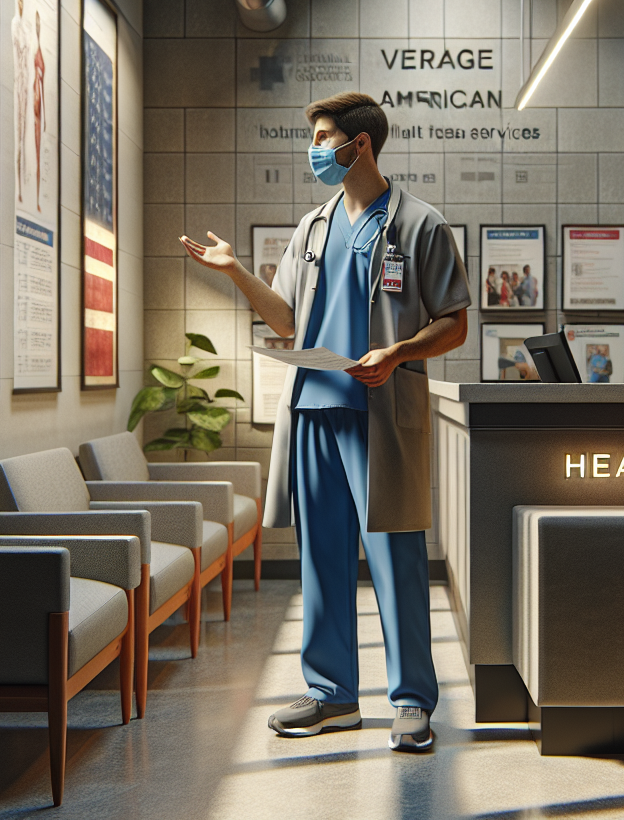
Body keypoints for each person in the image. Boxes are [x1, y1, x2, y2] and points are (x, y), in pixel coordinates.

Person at [182, 91, 470, 753]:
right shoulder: (313, 228)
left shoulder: (420, 225)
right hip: (314, 409)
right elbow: (287, 320)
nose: (314, 151)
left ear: (358, 144)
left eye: (321, 138)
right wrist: (236, 276)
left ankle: (410, 701)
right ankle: (333, 695)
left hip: (378, 414)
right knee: (322, 559)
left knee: (395, 557)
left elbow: (453, 323)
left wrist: (397, 352)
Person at [11, 0, 32, 203]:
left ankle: (23, 189)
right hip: (18, 85)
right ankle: (18, 188)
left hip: (26, 87)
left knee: (25, 137)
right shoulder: (15, 27)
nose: (21, 4)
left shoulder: (25, 30)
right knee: (18, 137)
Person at [32, 11, 46, 212]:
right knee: (34, 154)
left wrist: (47, 119)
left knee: (39, 157)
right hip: (33, 106)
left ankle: (36, 199)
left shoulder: (41, 53)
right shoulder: (33, 51)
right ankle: (33, 199)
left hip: (39, 108)